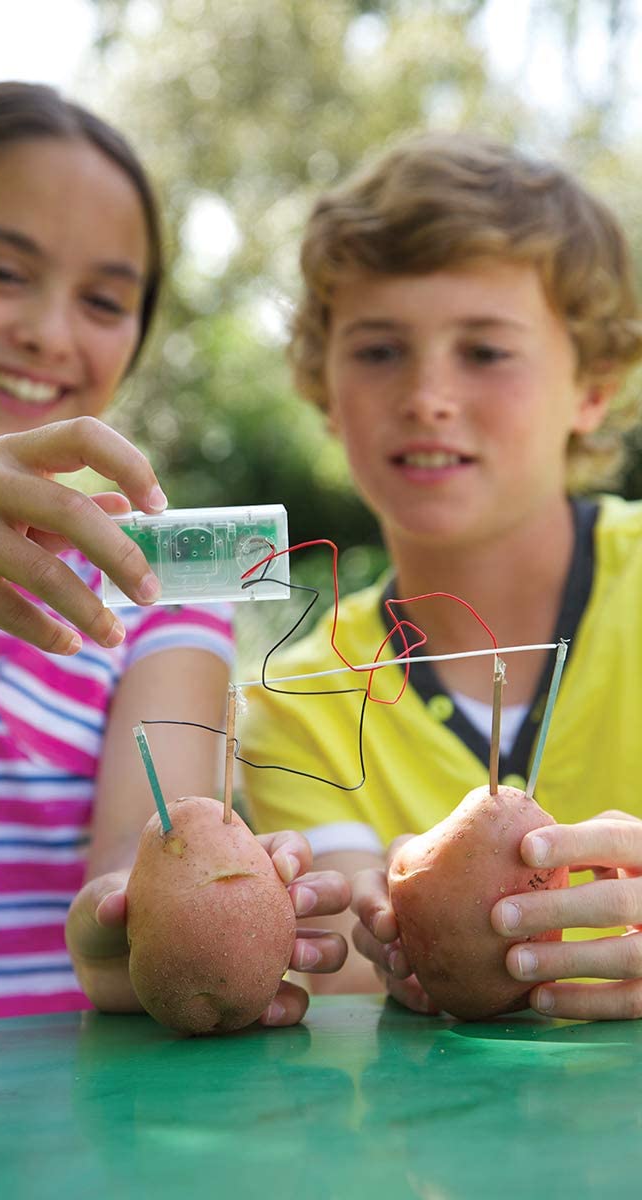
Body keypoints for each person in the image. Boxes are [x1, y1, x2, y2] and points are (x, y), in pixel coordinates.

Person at [0, 81, 349, 1034]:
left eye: (106, 299)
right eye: (1, 271)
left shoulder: (157, 592)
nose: (51, 332)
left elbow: (135, 853)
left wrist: (145, 925)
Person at [241, 130, 642, 1021]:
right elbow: (343, 962)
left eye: (486, 351)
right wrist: (393, 943)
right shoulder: (294, 699)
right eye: (380, 350)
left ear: (593, 386)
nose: (427, 394)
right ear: (324, 385)